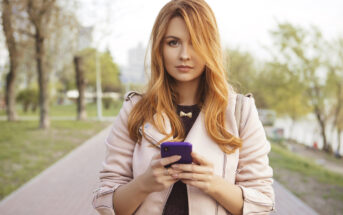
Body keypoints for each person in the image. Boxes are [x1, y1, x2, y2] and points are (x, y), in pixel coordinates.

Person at [92, 0, 275, 214]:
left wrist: (213, 184)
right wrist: (144, 184)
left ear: (210, 46)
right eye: (173, 42)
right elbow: (106, 203)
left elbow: (263, 205)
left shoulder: (240, 112)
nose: (185, 55)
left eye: (196, 42)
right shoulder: (135, 110)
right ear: (159, 47)